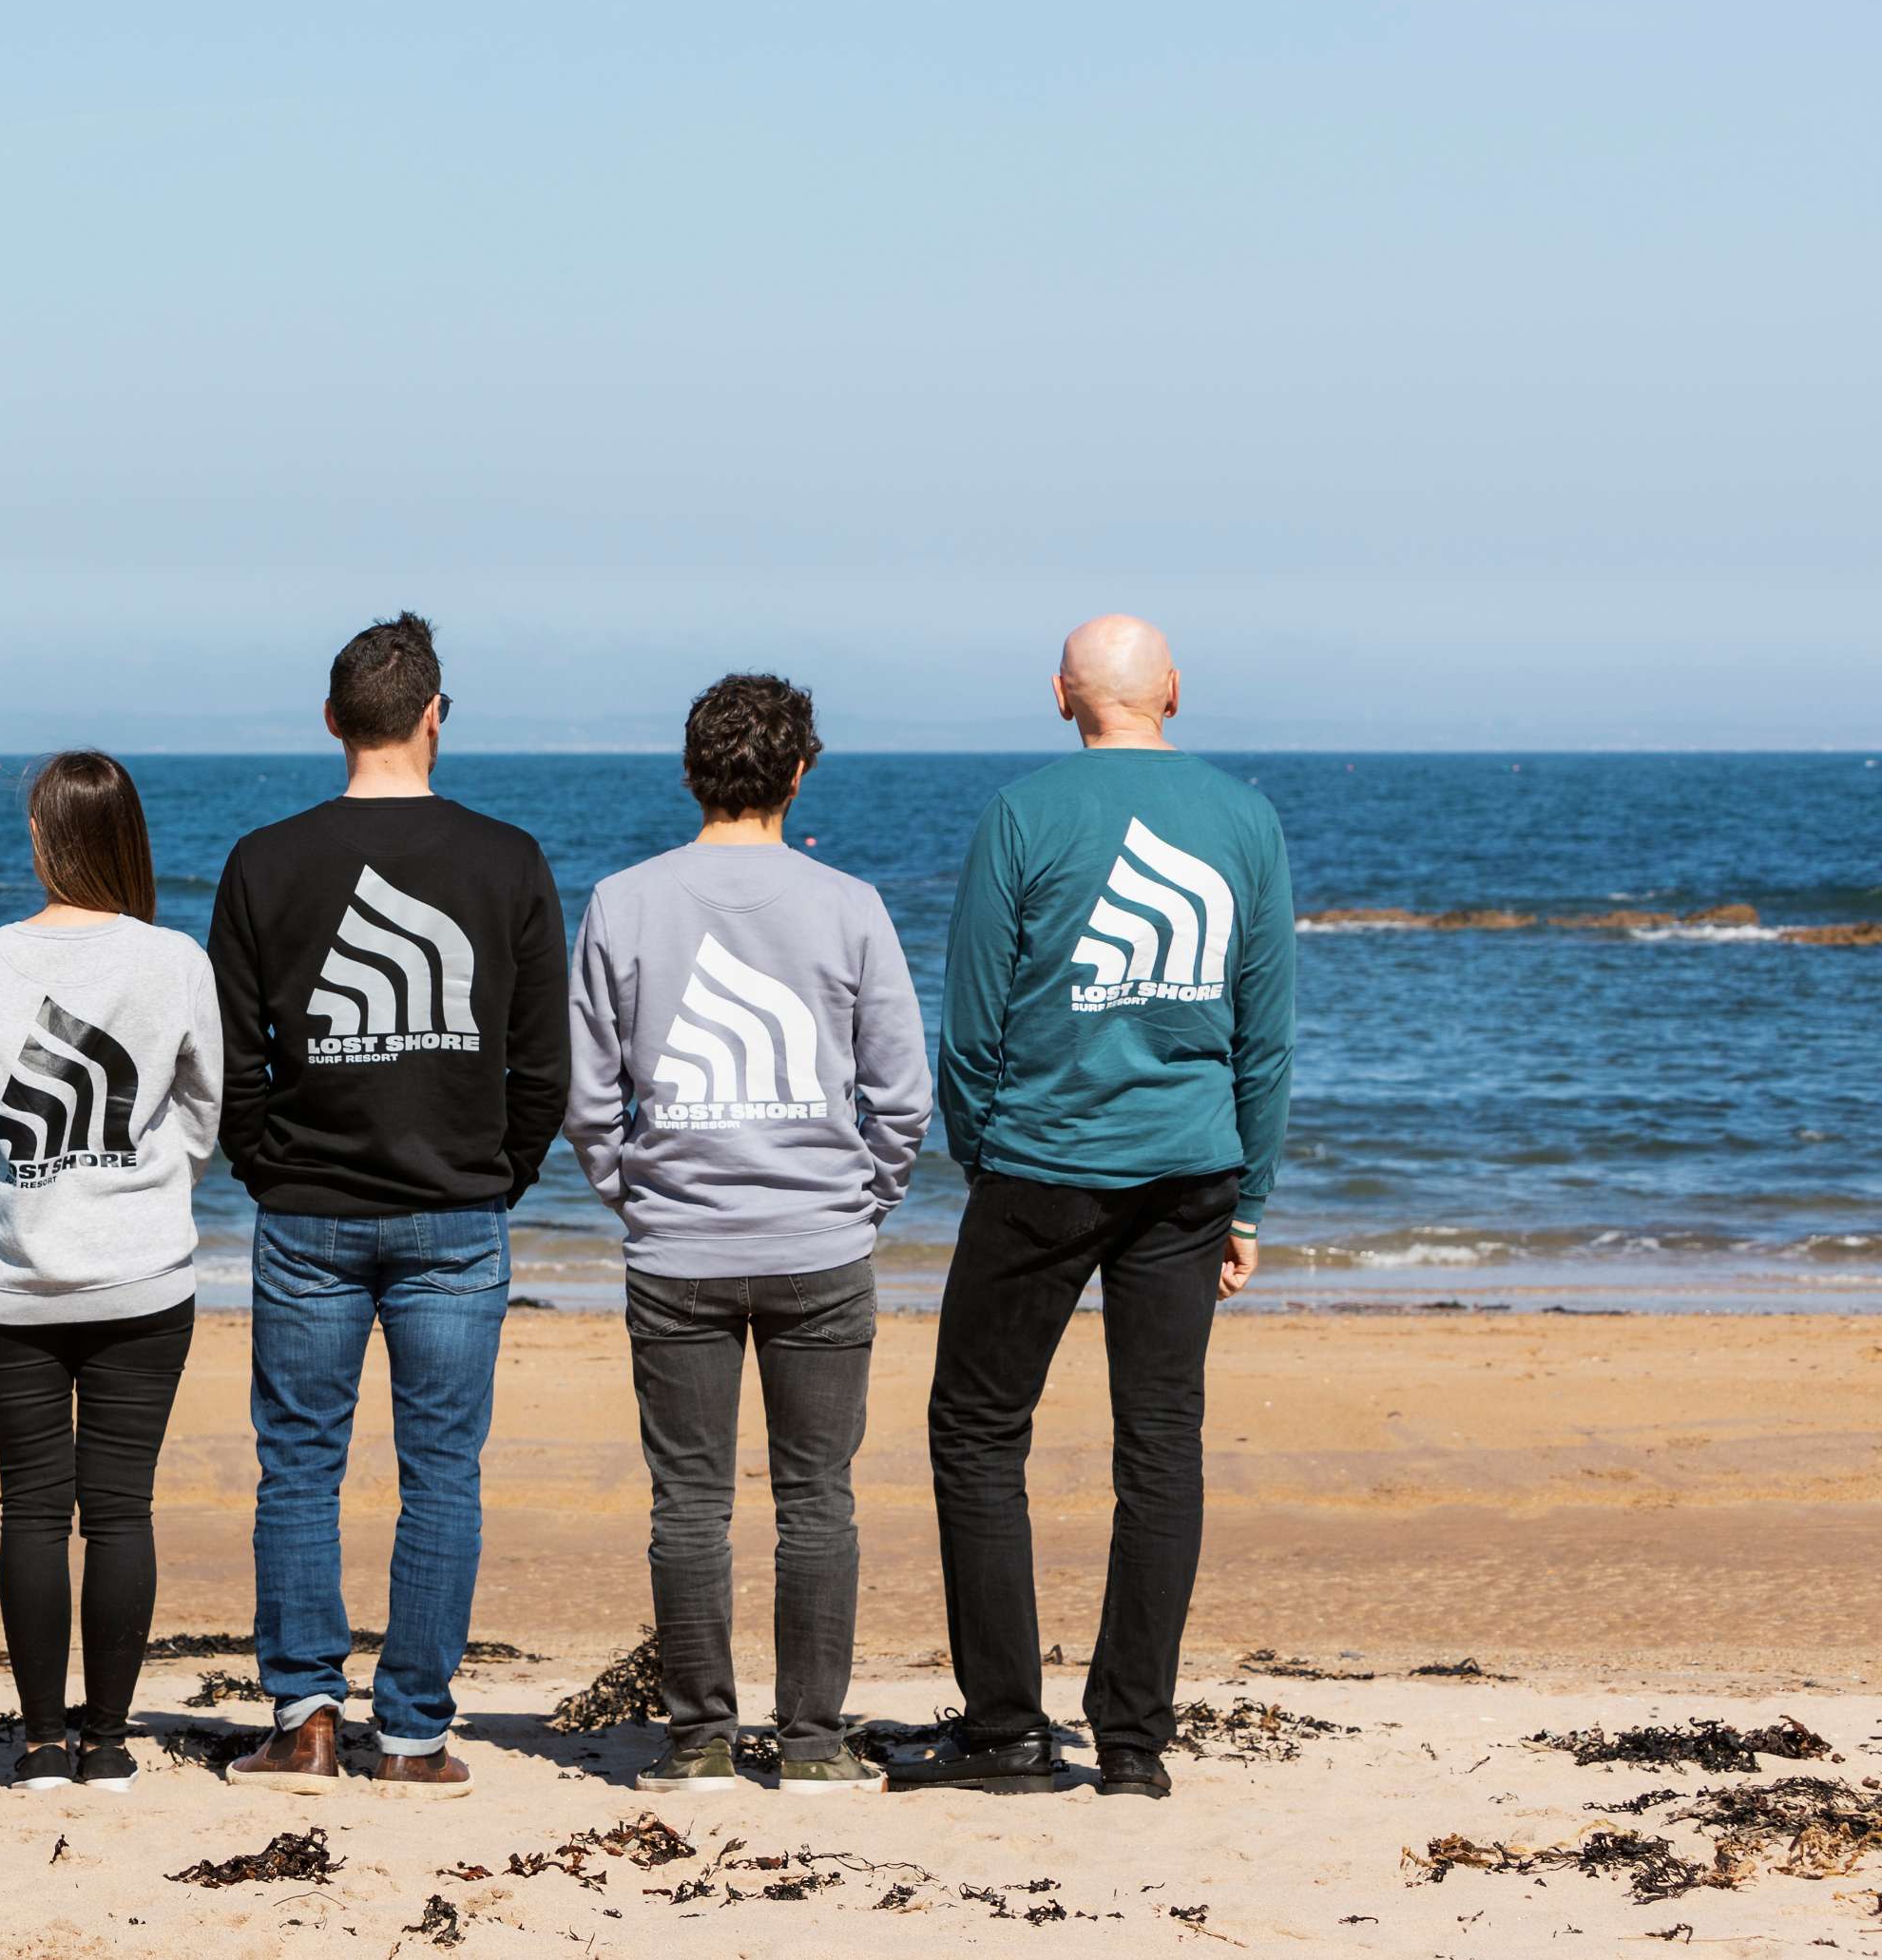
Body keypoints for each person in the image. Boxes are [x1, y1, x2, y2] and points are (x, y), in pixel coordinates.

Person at [887, 616, 1296, 1803]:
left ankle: (1008, 1730)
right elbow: (1262, 1038)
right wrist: (1250, 1201)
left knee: (974, 1432)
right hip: (1188, 1173)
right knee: (1159, 1446)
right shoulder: (1246, 820)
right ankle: (1131, 1746)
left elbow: (970, 1021)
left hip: (1041, 1167)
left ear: (1062, 697)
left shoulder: (1022, 814)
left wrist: (983, 1156)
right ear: (1171, 690)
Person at [204, 614, 570, 1799]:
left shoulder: (264, 859)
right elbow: (540, 1064)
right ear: (432, 717)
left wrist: (270, 1167)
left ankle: (306, 1714)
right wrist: (497, 1171)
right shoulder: (506, 858)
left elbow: (233, 1064)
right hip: (448, 1214)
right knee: (440, 1473)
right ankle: (411, 1736)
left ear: (331, 721)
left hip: (315, 1209)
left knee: (300, 1467)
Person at [567, 675, 931, 1797]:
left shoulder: (623, 901)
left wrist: (640, 1196)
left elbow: (587, 1100)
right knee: (817, 1501)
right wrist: (859, 1201)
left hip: (678, 1250)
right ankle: (814, 1747)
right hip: (817, 1248)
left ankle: (699, 1743)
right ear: (800, 772)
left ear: (690, 771)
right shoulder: (848, 903)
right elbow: (902, 1096)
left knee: (689, 1503)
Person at [0, 751, 221, 1795]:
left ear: (43, 841)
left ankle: (42, 1743)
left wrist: (23, 1188)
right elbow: (201, 1112)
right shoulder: (173, 959)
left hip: (9, 1274)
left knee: (30, 1508)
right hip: (142, 1273)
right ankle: (106, 1744)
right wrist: (139, 1182)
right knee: (119, 1510)